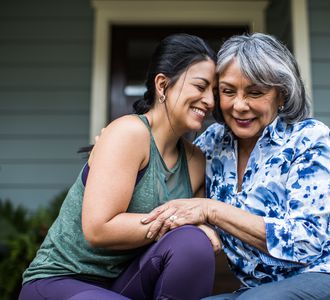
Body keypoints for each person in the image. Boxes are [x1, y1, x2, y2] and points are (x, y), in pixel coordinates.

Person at [141, 33, 330, 299]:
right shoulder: (211, 144)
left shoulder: (309, 138)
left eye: (255, 92)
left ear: (281, 95)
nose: (239, 105)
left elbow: (305, 242)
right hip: (262, 291)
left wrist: (211, 210)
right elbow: (171, 191)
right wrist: (118, 148)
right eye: (228, 91)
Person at [19, 33, 220, 300]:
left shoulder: (195, 161)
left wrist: (197, 229)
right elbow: (99, 229)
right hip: (61, 280)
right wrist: (180, 223)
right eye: (200, 86)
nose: (210, 101)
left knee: (193, 244)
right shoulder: (129, 133)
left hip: (126, 284)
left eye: (214, 92)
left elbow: (195, 235)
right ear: (162, 85)